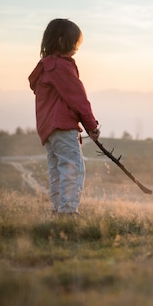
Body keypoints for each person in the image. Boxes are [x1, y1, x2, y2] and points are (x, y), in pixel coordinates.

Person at [28, 18, 100, 215]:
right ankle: (67, 213)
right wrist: (91, 126)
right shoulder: (61, 66)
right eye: (74, 43)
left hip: (48, 130)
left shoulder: (45, 68)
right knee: (73, 169)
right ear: (61, 42)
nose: (76, 48)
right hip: (62, 127)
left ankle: (58, 210)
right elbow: (78, 98)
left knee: (57, 172)